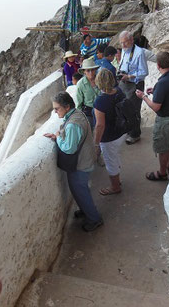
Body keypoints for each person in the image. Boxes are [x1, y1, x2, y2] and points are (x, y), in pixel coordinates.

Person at [44, 92, 103, 232]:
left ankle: (95, 219)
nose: (55, 111)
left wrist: (58, 137)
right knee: (81, 191)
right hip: (86, 160)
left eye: (57, 108)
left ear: (66, 106)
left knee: (80, 192)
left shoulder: (73, 124)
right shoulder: (77, 114)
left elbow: (69, 149)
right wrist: (59, 136)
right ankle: (85, 210)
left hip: (80, 164)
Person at [136, 52, 169, 181]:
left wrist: (144, 96)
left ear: (158, 65)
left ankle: (162, 173)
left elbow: (156, 107)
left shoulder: (162, 83)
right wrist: (156, 91)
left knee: (163, 147)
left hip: (166, 119)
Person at [93, 69, 127, 195]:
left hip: (109, 137)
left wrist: (96, 143)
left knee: (110, 161)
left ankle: (115, 187)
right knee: (115, 155)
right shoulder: (119, 92)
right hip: (121, 132)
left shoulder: (100, 101)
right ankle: (117, 180)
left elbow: (100, 125)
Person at [118, 30, 149, 144]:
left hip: (135, 84)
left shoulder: (139, 52)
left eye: (125, 42)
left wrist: (130, 76)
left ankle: (135, 134)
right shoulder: (124, 50)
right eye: (121, 43)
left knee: (134, 110)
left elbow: (144, 72)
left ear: (131, 40)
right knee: (124, 108)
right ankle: (128, 129)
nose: (123, 45)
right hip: (124, 82)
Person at [76, 57, 101, 128]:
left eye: (92, 70)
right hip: (89, 111)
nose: (90, 73)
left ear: (95, 70)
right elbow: (79, 104)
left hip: (102, 108)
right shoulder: (80, 84)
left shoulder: (100, 80)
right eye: (88, 70)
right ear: (84, 71)